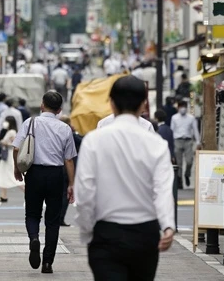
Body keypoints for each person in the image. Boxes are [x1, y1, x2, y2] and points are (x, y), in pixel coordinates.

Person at [75, 75, 176, 280]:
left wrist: (87, 231)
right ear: (143, 105)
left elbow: (85, 191)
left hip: (106, 232)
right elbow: (163, 190)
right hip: (145, 233)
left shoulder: (93, 140)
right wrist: (167, 226)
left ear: (111, 103)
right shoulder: (156, 144)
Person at [12, 91, 77, 274]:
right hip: (56, 174)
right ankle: (48, 262)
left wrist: (17, 169)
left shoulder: (30, 122)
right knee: (53, 220)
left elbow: (16, 148)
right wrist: (71, 184)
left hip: (34, 173)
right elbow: (69, 160)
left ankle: (34, 238)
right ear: (59, 110)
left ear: (42, 105)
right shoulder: (64, 128)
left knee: (32, 214)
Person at [58, 115, 83, 227]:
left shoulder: (56, 133)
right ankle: (61, 218)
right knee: (65, 194)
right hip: (68, 167)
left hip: (56, 166)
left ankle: (57, 218)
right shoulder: (71, 134)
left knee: (58, 194)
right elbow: (84, 141)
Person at [171, 100, 201, 188]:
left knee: (189, 161)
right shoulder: (174, 117)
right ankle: (179, 180)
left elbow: (195, 130)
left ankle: (187, 174)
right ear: (178, 108)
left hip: (188, 141)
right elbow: (172, 130)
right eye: (181, 107)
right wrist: (172, 142)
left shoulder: (191, 118)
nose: (183, 109)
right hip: (177, 140)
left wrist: (198, 142)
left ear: (186, 107)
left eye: (184, 107)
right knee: (178, 163)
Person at [0, 116, 24, 202]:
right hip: (7, 155)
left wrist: (5, 144)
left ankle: (27, 193)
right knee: (4, 174)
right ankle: (3, 195)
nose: (4, 123)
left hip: (10, 156)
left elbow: (15, 144)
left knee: (12, 175)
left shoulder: (12, 132)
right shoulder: (11, 131)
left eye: (6, 121)